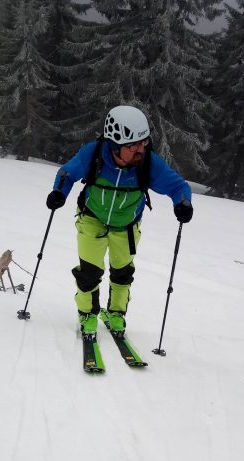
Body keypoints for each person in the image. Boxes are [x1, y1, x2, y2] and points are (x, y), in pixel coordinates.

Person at [45, 105, 193, 337]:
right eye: (132, 145)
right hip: (92, 219)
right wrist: (59, 193)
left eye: (143, 143)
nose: (140, 150)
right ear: (114, 144)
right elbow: (67, 173)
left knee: (122, 272)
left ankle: (116, 313)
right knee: (89, 272)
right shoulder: (93, 155)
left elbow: (178, 186)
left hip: (127, 225)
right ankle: (87, 314)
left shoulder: (148, 164)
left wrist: (183, 203)